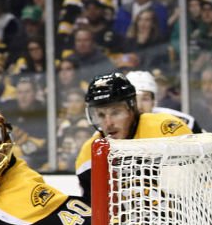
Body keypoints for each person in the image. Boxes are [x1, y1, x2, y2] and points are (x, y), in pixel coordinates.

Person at [75, 71, 191, 199]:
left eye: (115, 112)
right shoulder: (90, 154)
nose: (108, 124)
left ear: (132, 108)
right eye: (101, 115)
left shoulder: (165, 129)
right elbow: (93, 209)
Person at [125, 69, 203, 132]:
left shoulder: (179, 122)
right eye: (134, 99)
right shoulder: (116, 125)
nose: (139, 106)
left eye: (145, 99)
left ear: (153, 102)